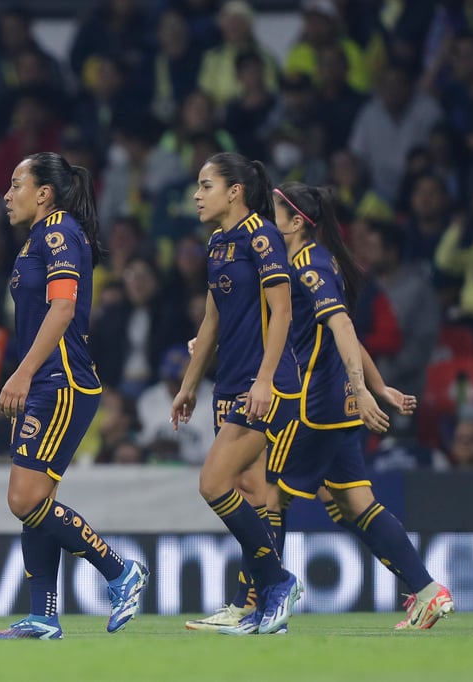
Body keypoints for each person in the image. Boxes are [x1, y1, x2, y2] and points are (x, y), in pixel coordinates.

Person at [266, 181, 454, 630]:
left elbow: (343, 327)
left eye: (275, 211)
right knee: (353, 502)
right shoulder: (312, 261)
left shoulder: (308, 264)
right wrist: (377, 385)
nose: (268, 219)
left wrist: (365, 389)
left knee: (268, 495)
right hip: (338, 403)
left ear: (296, 222)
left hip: (316, 404)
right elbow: (342, 331)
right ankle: (428, 591)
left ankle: (263, 600)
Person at [0, 152, 148, 641]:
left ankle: (120, 572)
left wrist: (22, 373)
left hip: (61, 382)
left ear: (45, 193)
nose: (6, 195)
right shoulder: (40, 237)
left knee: (25, 499)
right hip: (45, 383)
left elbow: (62, 309)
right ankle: (43, 614)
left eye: (17, 185)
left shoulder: (58, 233)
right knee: (39, 501)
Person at [171, 152, 302, 636]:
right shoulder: (218, 243)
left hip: (264, 385)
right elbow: (212, 321)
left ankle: (277, 583)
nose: (197, 195)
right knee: (250, 493)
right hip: (230, 386)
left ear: (235, 192)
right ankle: (252, 607)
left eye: (206, 186)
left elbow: (282, 312)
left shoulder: (262, 235)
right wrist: (189, 385)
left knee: (213, 483)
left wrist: (265, 380)